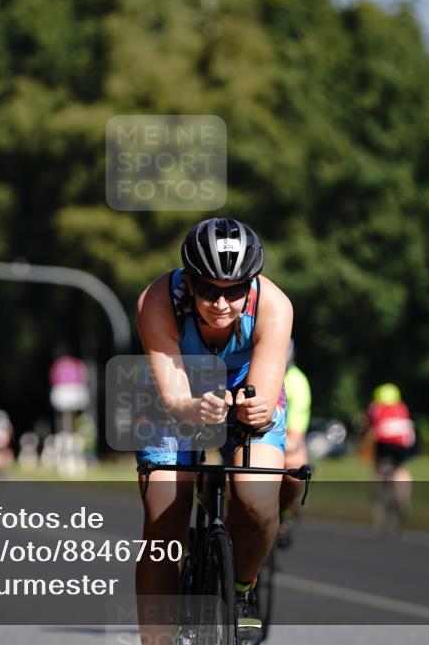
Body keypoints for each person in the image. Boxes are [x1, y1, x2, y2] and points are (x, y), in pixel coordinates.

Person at [136, 217, 292, 640]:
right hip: (175, 393)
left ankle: (241, 587)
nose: (220, 304)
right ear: (189, 280)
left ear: (251, 284)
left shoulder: (274, 306)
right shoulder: (157, 300)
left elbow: (266, 388)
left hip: (243, 389)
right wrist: (193, 406)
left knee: (259, 503)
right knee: (165, 522)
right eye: (207, 289)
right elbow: (172, 397)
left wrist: (256, 411)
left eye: (234, 291)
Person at [277, 340, 310, 548]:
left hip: (287, 437)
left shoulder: (297, 382)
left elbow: (296, 434)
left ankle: (285, 511)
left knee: (293, 469)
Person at [363, 383, 416, 510]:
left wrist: (365, 446)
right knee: (401, 469)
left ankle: (377, 492)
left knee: (378, 468)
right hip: (403, 442)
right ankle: (404, 501)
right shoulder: (402, 407)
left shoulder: (375, 407)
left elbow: (372, 430)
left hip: (384, 442)